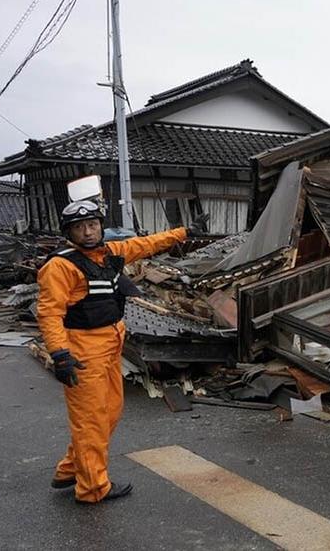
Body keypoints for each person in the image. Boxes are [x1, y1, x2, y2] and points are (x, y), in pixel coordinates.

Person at [37, 199, 206, 503]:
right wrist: (60, 354)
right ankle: (92, 488)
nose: (88, 232)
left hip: (111, 345)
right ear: (69, 232)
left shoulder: (109, 254)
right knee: (91, 420)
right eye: (79, 228)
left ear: (100, 225)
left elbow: (146, 244)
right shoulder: (59, 267)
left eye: (92, 225)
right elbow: (49, 314)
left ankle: (71, 469)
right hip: (83, 351)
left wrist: (183, 232)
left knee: (110, 412)